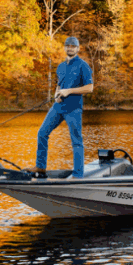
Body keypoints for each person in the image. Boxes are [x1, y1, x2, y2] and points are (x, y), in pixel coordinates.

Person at [28, 36, 94, 178]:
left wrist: (69, 91)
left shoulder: (83, 66)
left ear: (77, 48)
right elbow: (59, 84)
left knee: (76, 141)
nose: (70, 48)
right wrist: (56, 94)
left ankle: (78, 174)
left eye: (73, 46)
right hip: (58, 107)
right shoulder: (61, 67)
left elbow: (90, 88)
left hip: (74, 109)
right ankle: (40, 167)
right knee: (42, 132)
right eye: (68, 46)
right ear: (65, 48)